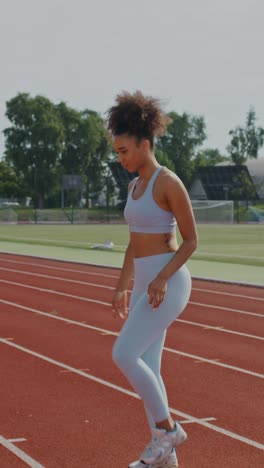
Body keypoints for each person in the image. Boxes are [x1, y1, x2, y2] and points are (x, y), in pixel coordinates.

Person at [106, 91, 198, 468]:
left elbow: (192, 241)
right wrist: (123, 285)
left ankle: (167, 430)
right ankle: (165, 458)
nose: (120, 158)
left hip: (169, 284)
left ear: (145, 144)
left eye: (125, 150)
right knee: (149, 365)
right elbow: (133, 244)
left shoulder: (167, 182)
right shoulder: (133, 187)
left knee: (123, 354)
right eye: (117, 151)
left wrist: (160, 279)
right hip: (146, 283)